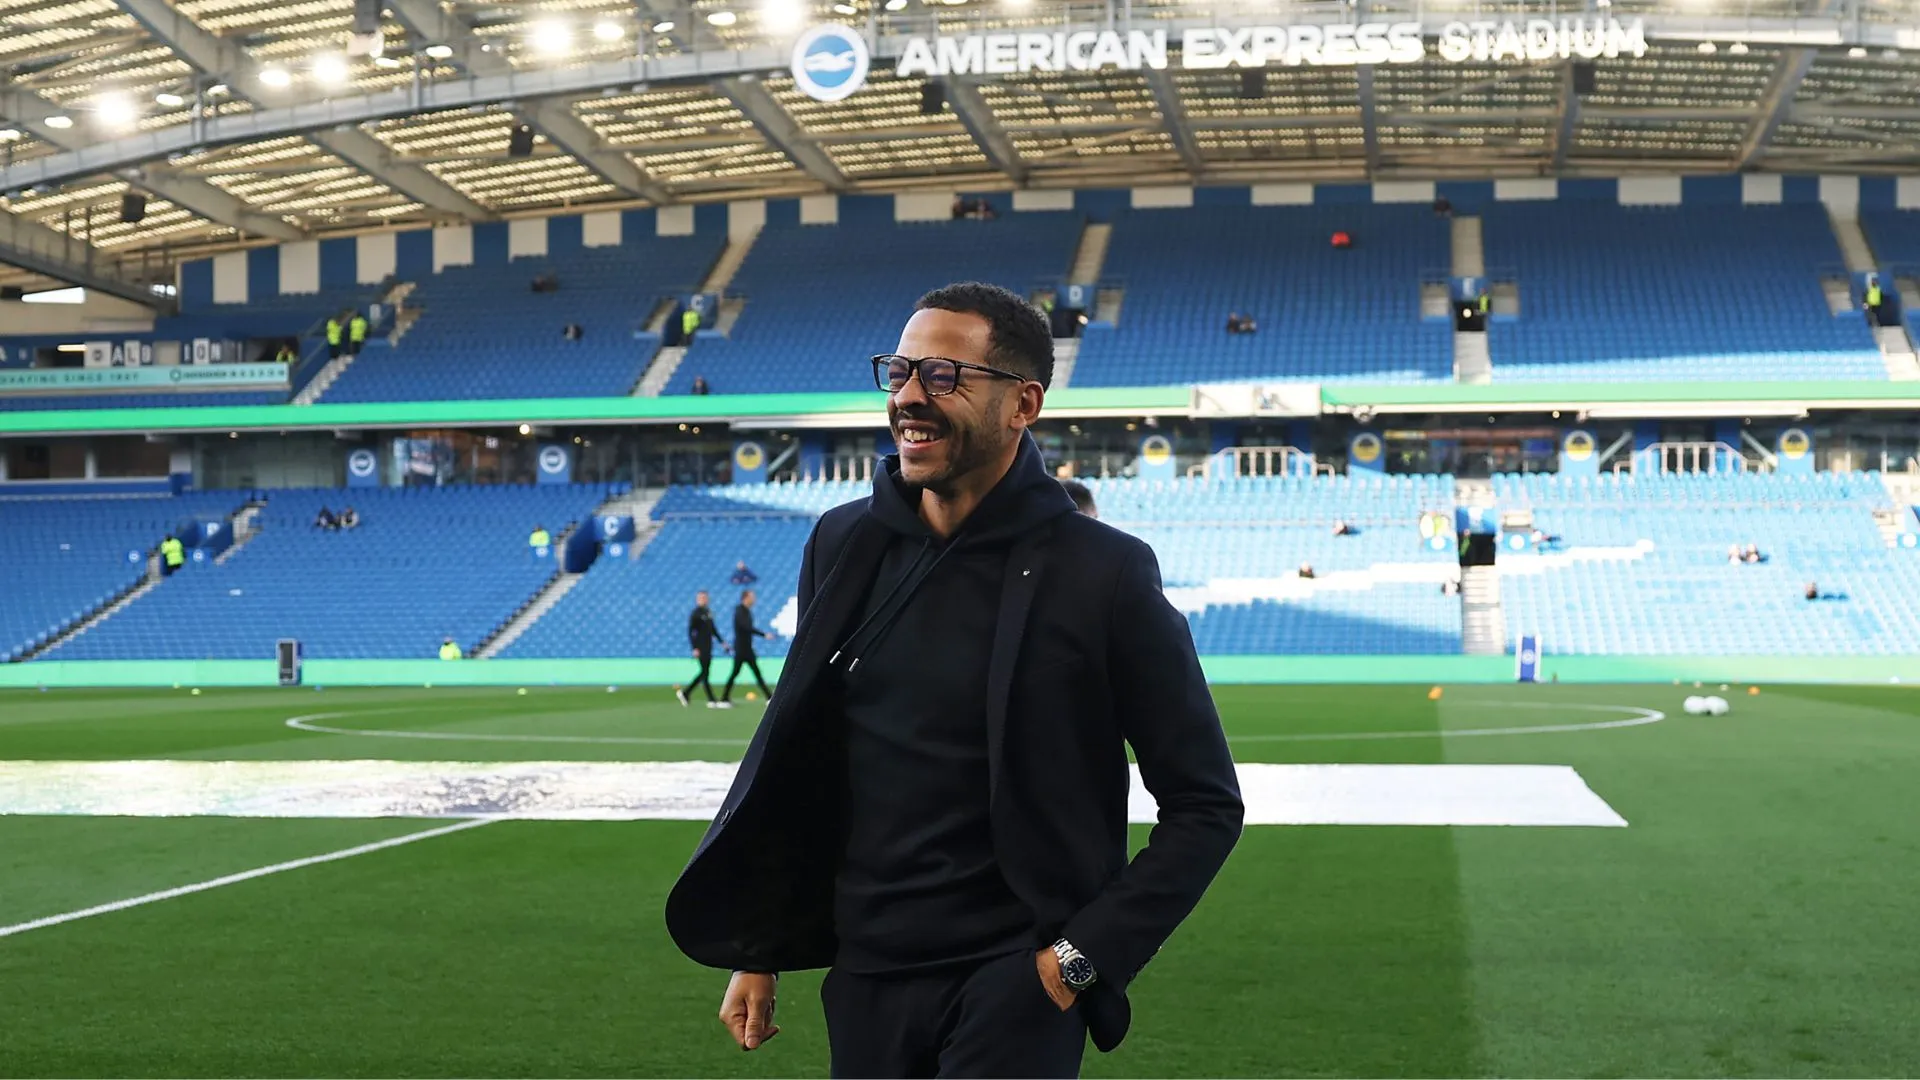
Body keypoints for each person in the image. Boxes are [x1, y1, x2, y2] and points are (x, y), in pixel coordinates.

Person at [666, 281, 1242, 1076]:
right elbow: (809, 760)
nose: (909, 397)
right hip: (865, 975)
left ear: (1023, 404)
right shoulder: (841, 544)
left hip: (1016, 981)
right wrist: (760, 945)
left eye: (943, 376)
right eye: (899, 372)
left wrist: (1074, 964)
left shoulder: (1102, 573)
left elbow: (1206, 804)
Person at [676, 590, 729, 709]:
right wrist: (694, 648)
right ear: (697, 599)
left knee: (705, 671)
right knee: (705, 671)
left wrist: (722, 642)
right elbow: (691, 632)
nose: (704, 599)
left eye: (705, 597)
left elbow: (713, 629)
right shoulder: (696, 613)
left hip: (708, 645)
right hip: (701, 646)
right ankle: (709, 699)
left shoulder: (708, 612)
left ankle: (686, 693)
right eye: (701, 598)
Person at [721, 589, 774, 705]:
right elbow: (746, 627)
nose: (754, 599)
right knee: (736, 673)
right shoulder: (740, 611)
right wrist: (764, 634)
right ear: (746, 598)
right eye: (752, 597)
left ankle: (769, 697)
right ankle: (724, 698)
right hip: (741, 649)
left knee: (756, 672)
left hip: (747, 648)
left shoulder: (747, 611)